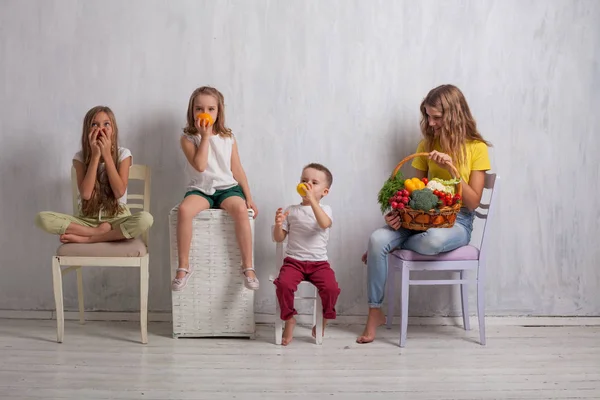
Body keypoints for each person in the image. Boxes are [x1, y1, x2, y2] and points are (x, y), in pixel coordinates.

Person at [357, 84, 492, 344]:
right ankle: (375, 312)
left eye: (437, 117)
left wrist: (452, 170)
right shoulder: (427, 144)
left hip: (457, 221)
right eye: (428, 116)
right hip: (421, 218)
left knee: (431, 241)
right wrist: (397, 216)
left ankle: (389, 250)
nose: (431, 123)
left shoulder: (477, 148)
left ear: (454, 114)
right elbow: (413, 191)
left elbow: (473, 202)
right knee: (377, 239)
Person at [171, 86, 259, 291]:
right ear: (191, 111)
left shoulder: (228, 137)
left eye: (211, 109)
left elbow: (237, 168)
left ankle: (248, 266)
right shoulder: (188, 138)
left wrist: (249, 197)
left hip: (227, 188)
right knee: (184, 210)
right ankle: (183, 266)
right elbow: (200, 166)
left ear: (218, 112)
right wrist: (205, 137)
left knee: (240, 210)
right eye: (199, 108)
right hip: (200, 189)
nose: (205, 113)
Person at [35, 106, 153, 243]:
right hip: (86, 220)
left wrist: (107, 155)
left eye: (106, 124)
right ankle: (95, 232)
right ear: (87, 131)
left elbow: (119, 191)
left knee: (145, 219)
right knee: (41, 218)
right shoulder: (79, 157)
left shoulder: (123, 154)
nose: (100, 129)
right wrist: (95, 156)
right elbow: (86, 194)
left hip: (117, 219)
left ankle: (88, 239)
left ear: (113, 130)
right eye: (94, 124)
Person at [273, 163, 340, 346]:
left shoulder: (325, 210)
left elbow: (325, 224)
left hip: (319, 263)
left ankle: (324, 320)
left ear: (324, 192)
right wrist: (279, 225)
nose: (307, 184)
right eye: (304, 180)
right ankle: (289, 319)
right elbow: (279, 238)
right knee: (283, 285)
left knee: (331, 288)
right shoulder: (292, 210)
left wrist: (312, 202)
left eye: (314, 182)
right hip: (294, 262)